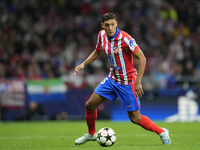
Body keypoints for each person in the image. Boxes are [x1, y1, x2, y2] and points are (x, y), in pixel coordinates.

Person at [74, 12, 171, 145]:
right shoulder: (101, 35)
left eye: (112, 24)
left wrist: (138, 82)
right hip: (112, 79)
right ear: (102, 25)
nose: (110, 28)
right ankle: (91, 134)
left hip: (127, 82)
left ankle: (162, 131)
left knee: (135, 118)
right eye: (107, 25)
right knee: (90, 105)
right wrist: (83, 64)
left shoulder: (125, 39)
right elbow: (97, 52)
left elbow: (142, 58)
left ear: (116, 24)